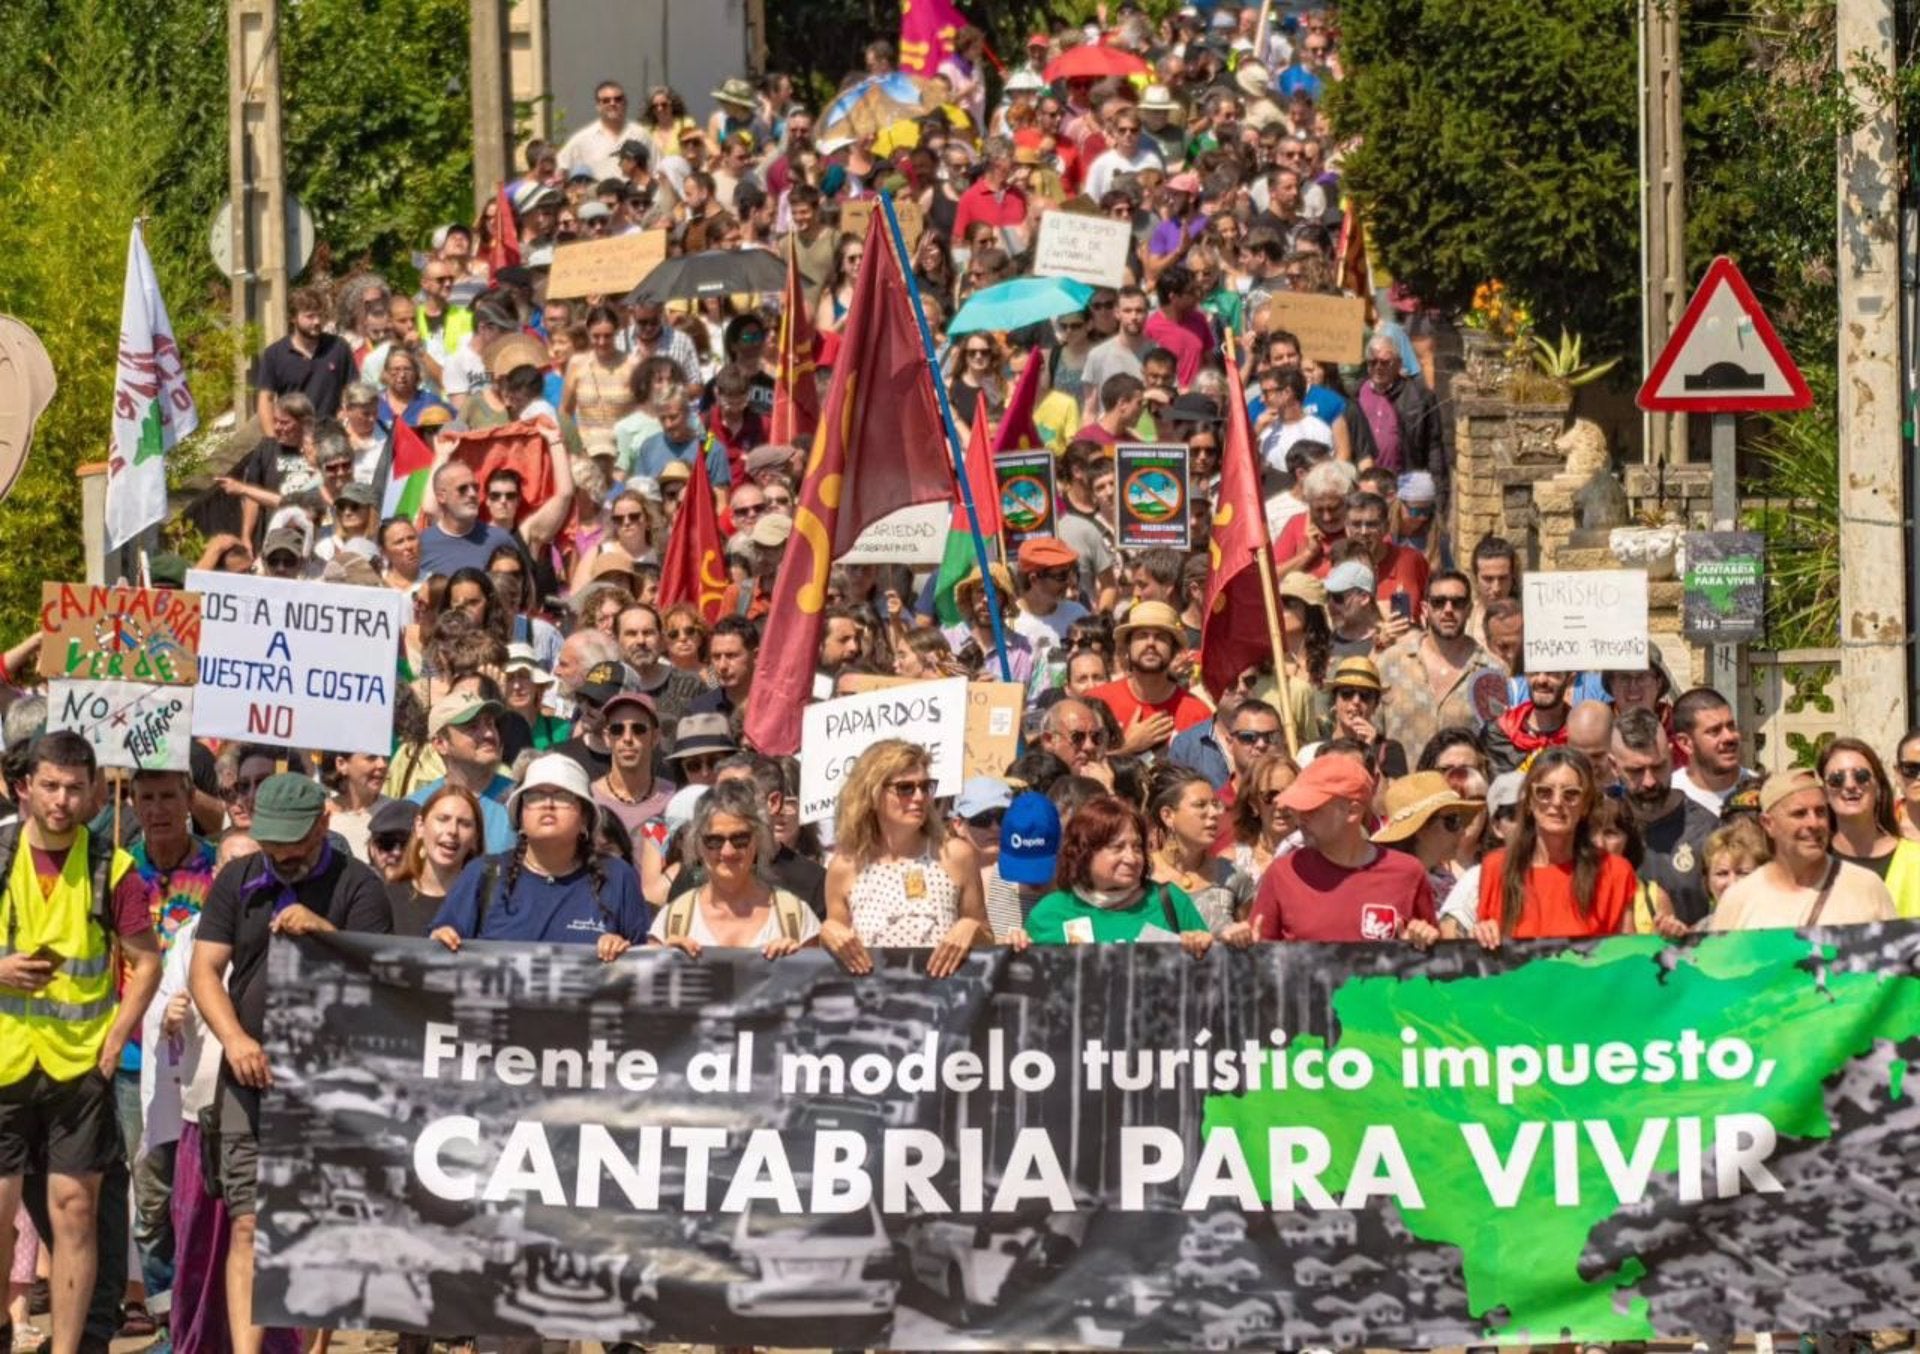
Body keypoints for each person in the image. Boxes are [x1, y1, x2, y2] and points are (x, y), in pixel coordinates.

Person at [188, 773, 391, 1354]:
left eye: (294, 846)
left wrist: (325, 933)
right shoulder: (237, 877)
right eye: (272, 845)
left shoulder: (362, 888)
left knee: (315, 1231)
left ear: (324, 825)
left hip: (328, 1085)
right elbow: (205, 971)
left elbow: (382, 983)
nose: (282, 858)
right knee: (248, 1224)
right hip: (247, 1077)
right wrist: (233, 1040)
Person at [0, 734, 162, 1354]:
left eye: (75, 788)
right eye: (51, 786)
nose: (63, 800)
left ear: (95, 790)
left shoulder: (110, 865)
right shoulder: (2, 851)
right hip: (7, 1063)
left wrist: (116, 1036)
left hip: (79, 1069)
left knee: (73, 1213)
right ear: (26, 787)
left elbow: (145, 961)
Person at [429, 755, 651, 951]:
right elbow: (434, 955)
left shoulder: (618, 877)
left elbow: (648, 967)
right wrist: (442, 939)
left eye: (563, 796)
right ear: (520, 818)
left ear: (585, 818)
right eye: (534, 796)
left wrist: (622, 950)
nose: (548, 804)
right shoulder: (483, 874)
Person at [820, 741, 988, 977]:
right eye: (906, 788)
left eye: (925, 786)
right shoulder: (844, 867)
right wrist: (828, 932)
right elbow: (837, 952)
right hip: (876, 1004)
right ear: (873, 793)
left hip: (944, 1002)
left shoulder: (955, 855)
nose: (919, 797)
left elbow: (988, 939)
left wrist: (971, 927)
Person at [1249, 755, 1439, 946]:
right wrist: (1237, 943)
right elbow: (1255, 960)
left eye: (1312, 808)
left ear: (1352, 811)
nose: (1300, 818)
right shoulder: (1282, 873)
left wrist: (1421, 943)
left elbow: (1439, 963)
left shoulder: (1407, 873)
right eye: (1298, 807)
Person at [1469, 748, 1636, 945]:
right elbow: (1486, 958)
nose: (1557, 803)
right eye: (1544, 792)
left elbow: (1629, 961)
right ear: (1529, 801)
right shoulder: (1496, 867)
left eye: (1571, 794)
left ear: (1585, 806)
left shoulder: (1615, 872)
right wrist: (1481, 933)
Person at [1024, 796, 1219, 951]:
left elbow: (1211, 973)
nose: (1131, 858)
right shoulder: (1050, 913)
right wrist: (1015, 948)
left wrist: (1203, 945)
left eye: (1136, 847)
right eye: (1117, 848)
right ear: (1085, 852)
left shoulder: (1170, 901)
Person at [1710, 770, 1897, 930]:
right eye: (1799, 814)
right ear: (1768, 824)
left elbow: (1896, 966)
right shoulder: (1738, 899)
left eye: (1820, 812)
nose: (1813, 823)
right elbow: (1716, 969)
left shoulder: (1866, 887)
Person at [649, 781, 819, 956]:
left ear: (757, 839)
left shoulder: (794, 918)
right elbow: (646, 981)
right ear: (698, 844)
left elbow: (821, 980)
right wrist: (665, 960)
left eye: (740, 839)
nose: (727, 851)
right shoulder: (673, 921)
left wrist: (798, 961)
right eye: (714, 841)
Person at [1611, 709, 1719, 927]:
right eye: (1636, 771)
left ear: (1671, 756)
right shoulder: (1599, 828)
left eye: (1658, 767)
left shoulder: (1706, 830)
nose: (1649, 781)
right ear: (1614, 767)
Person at [1375, 570, 1499, 756]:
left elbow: (1498, 748)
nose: (1448, 610)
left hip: (1462, 783)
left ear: (1469, 611)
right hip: (1401, 784)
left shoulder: (1492, 672)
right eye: (1439, 602)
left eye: (1457, 603)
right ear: (1425, 609)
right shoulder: (1389, 663)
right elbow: (1372, 734)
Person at [1084, 602, 1211, 755]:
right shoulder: (1097, 702)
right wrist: (1127, 748)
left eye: (1160, 637)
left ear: (1173, 649)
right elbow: (1080, 770)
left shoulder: (1197, 713)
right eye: (1142, 635)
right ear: (1128, 647)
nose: (1151, 643)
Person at [1145, 767, 1255, 934]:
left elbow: (1251, 943)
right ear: (1168, 815)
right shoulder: (1141, 875)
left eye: (1215, 804)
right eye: (1200, 805)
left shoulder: (1233, 877)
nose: (1214, 813)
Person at [1817, 736, 1920, 916]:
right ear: (1824, 791)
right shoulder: (1809, 863)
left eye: (1861, 776)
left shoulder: (1915, 858)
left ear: (1878, 785)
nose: (1850, 785)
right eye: (1836, 779)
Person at [409, 694, 515, 853]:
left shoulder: (521, 800)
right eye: (472, 727)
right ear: (440, 743)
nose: (488, 734)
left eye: (490, 724)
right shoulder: (417, 807)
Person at [386, 784, 483, 937]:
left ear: (475, 838)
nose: (452, 830)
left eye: (464, 823)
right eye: (443, 819)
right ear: (420, 826)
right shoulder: (386, 897)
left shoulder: (485, 904)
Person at [1372, 770, 1482, 904]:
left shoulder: (1445, 877)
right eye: (1452, 821)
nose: (1462, 832)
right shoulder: (1398, 886)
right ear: (1421, 828)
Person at [252, 288, 357, 430]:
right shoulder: (274, 355)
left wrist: (346, 414)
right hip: (292, 437)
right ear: (293, 318)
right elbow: (266, 400)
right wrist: (271, 440)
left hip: (331, 437)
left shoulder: (338, 347)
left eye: (320, 315)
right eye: (310, 316)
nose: (317, 321)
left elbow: (353, 389)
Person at [590, 690, 677, 836]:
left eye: (638, 729)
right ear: (606, 737)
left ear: (655, 737)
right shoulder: (589, 800)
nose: (628, 738)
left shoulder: (674, 800)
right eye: (617, 729)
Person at [416, 461, 521, 577]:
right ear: (442, 497)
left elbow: (519, 588)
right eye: (463, 488)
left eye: (475, 488)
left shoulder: (501, 540)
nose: (472, 494)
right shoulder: (421, 544)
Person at [1669, 688, 1754, 814]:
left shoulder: (1761, 791)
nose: (1729, 737)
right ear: (1685, 743)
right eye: (1714, 731)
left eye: (1731, 726)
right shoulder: (1669, 798)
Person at [1484, 669, 1573, 774]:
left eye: (1552, 673)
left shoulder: (1580, 735)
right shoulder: (1497, 734)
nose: (1541, 680)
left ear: (1570, 679)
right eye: (1534, 672)